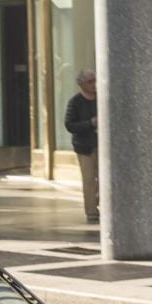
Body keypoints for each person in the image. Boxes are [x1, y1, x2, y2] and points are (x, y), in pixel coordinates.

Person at [65, 69, 99, 223]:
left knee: (104, 177)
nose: (94, 84)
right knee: (89, 178)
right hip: (85, 145)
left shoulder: (100, 98)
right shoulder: (75, 102)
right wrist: (90, 123)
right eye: (90, 81)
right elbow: (70, 125)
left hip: (101, 144)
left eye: (95, 80)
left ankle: (102, 204)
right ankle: (91, 210)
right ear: (82, 84)